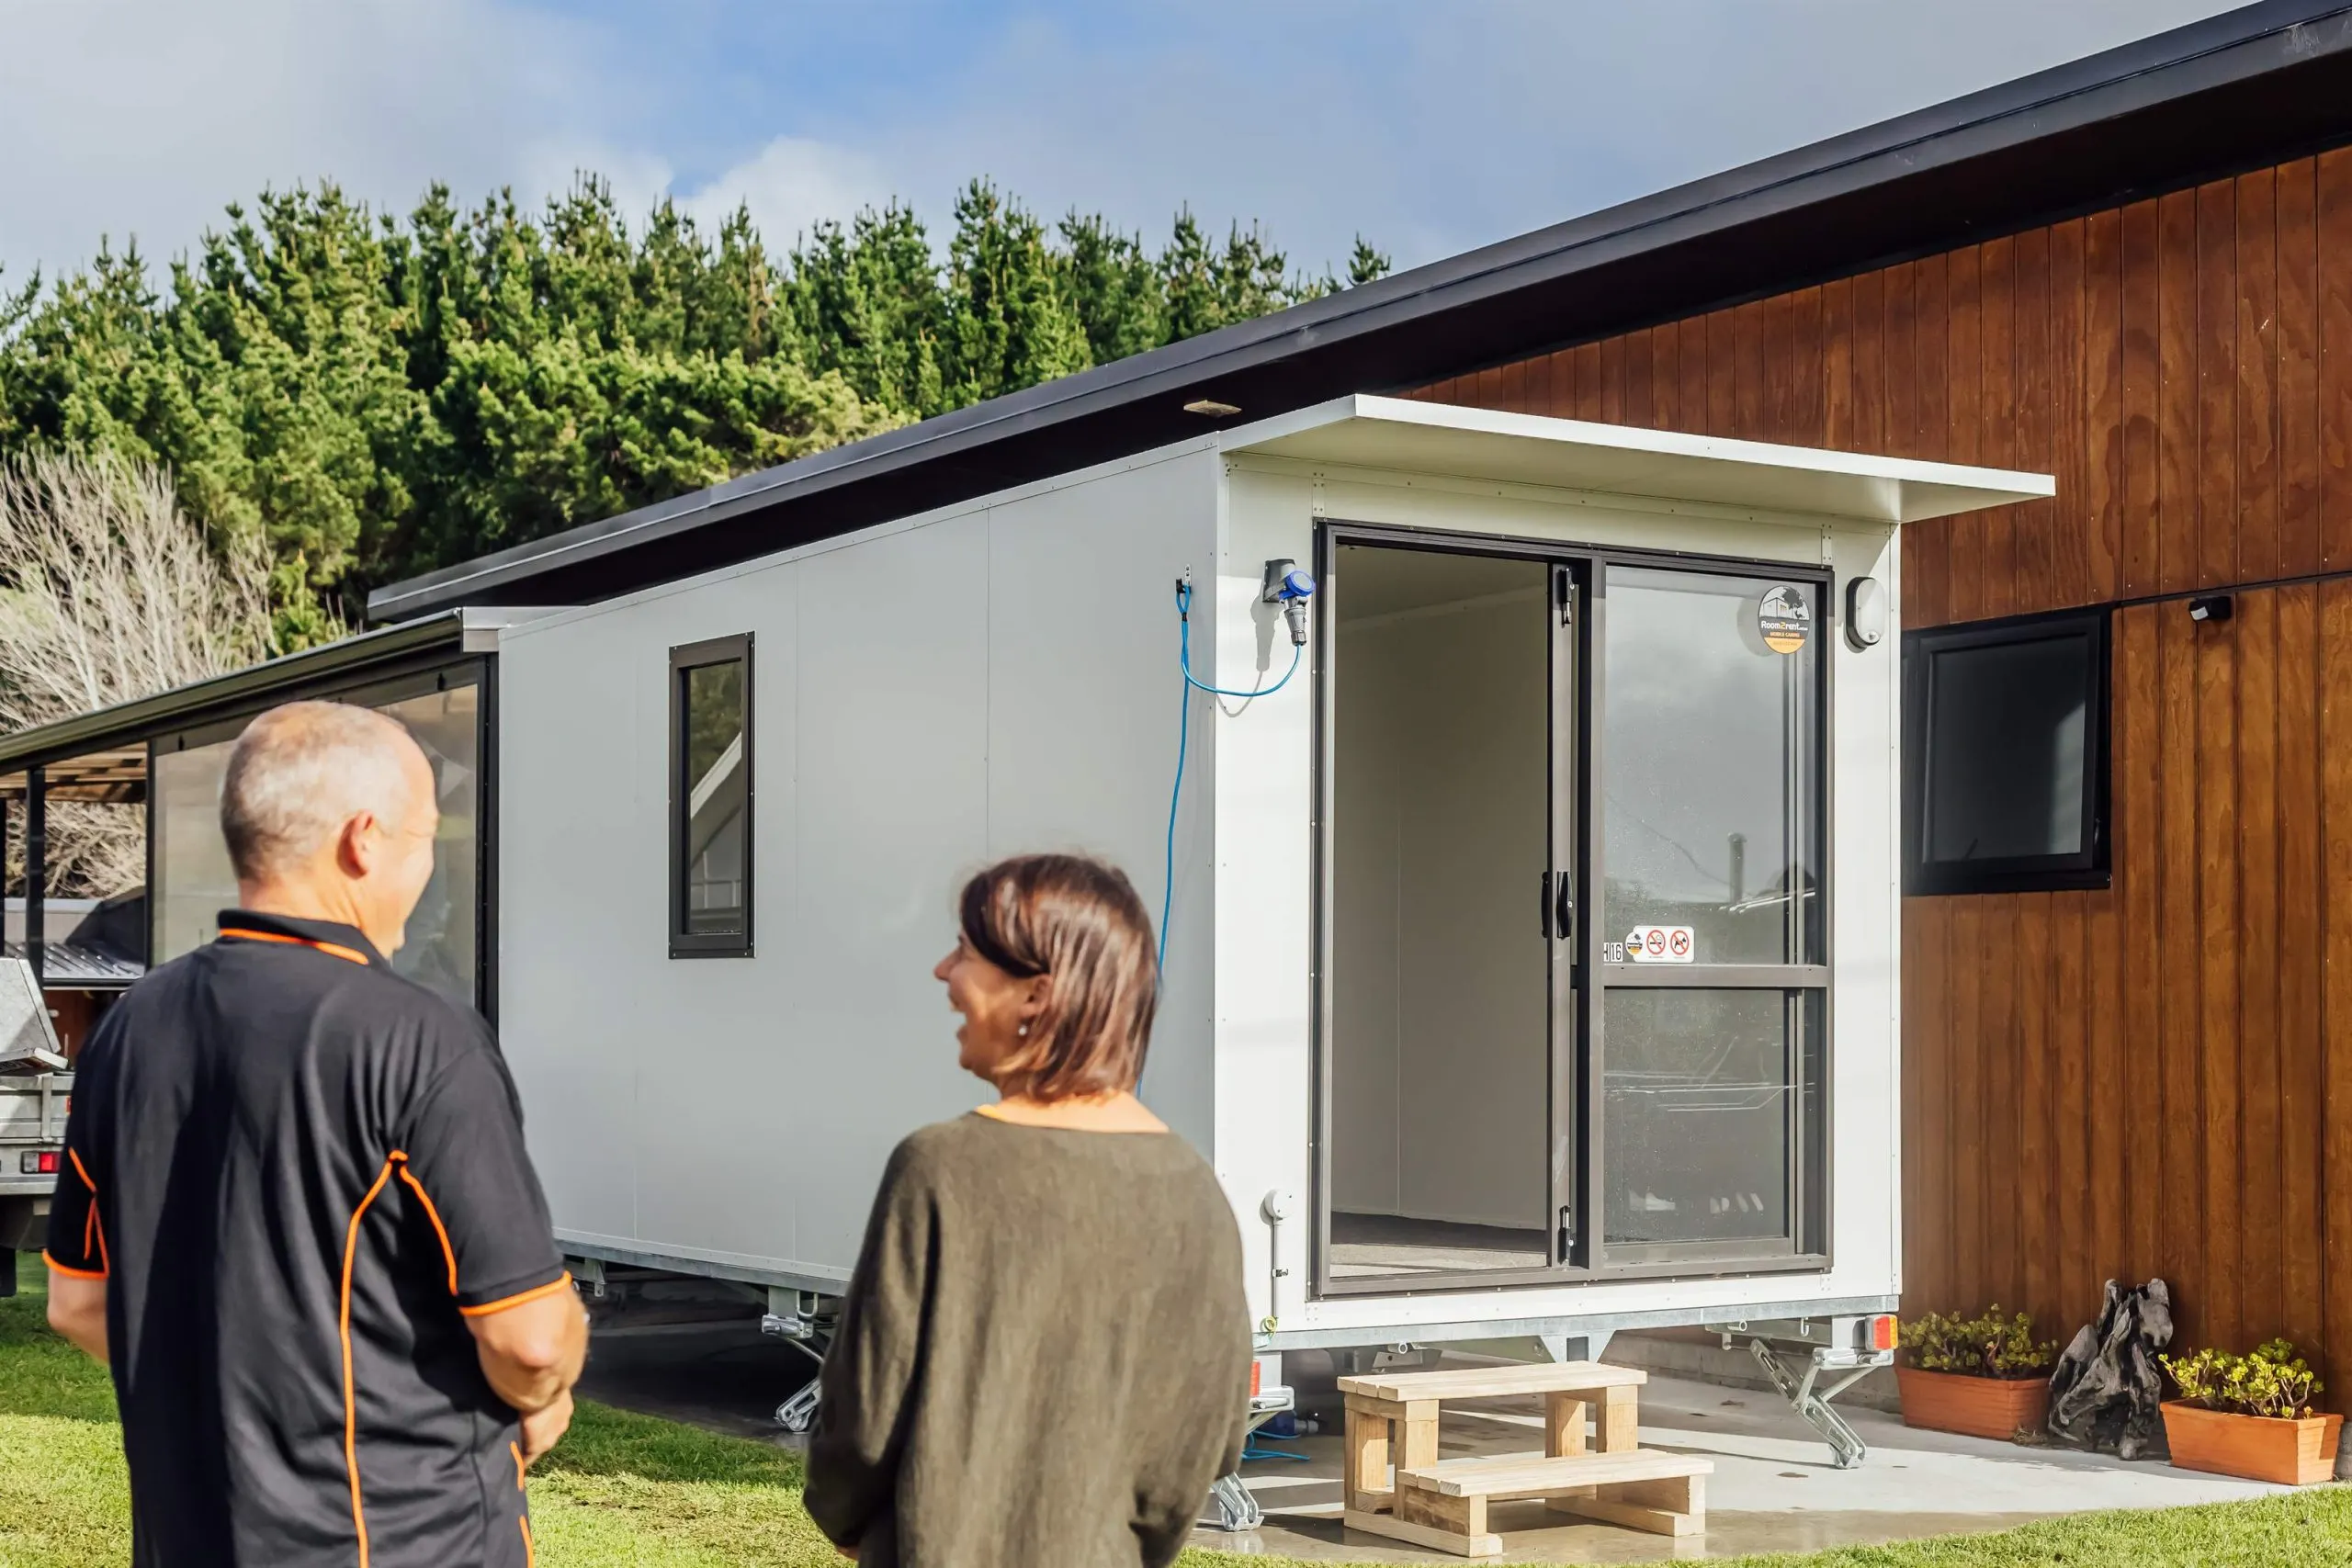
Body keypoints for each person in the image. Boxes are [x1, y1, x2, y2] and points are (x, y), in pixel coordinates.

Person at [42, 701, 586, 1568]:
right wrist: (549, 1390)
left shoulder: (128, 1030)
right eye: (425, 840)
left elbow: (76, 1299)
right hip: (403, 1540)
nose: (429, 867)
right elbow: (529, 1338)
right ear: (364, 840)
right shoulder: (419, 1036)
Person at [805, 852, 1250, 1568]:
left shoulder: (939, 1168)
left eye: (966, 952)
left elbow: (861, 1419)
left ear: (1038, 995)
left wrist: (850, 1521)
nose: (943, 972)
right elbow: (1205, 1442)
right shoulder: (1198, 1193)